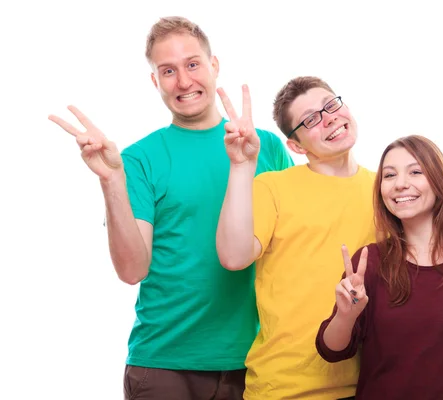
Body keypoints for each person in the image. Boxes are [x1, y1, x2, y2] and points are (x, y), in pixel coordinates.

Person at [216, 76, 443, 399]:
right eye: (310, 119)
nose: (329, 118)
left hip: (366, 384)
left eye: (331, 105)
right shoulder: (274, 189)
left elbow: (438, 251)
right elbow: (234, 257)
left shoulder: (389, 192)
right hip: (287, 388)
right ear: (296, 146)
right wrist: (241, 165)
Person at [48, 16, 293, 400]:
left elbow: (289, 255)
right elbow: (132, 270)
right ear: (155, 81)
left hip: (257, 360)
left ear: (214, 66)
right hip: (164, 365)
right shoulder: (139, 159)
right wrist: (111, 180)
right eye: (168, 71)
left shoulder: (265, 148)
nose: (183, 81)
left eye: (193, 64)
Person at [316, 135, 443, 399]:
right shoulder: (369, 262)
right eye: (389, 176)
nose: (401, 184)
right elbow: (331, 351)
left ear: (438, 180)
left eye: (415, 172)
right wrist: (346, 315)